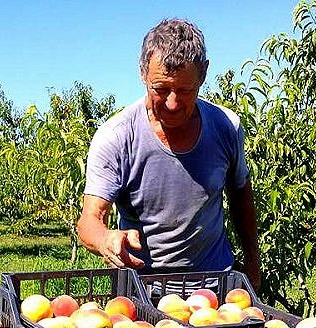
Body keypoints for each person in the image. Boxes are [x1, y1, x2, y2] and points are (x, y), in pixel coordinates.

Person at [77, 18, 261, 290]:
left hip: (214, 287)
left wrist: (253, 264)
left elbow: (240, 194)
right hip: (143, 288)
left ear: (203, 75)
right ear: (143, 73)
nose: (173, 104)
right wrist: (105, 239)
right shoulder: (116, 136)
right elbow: (90, 219)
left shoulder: (226, 127)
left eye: (186, 90)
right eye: (160, 89)